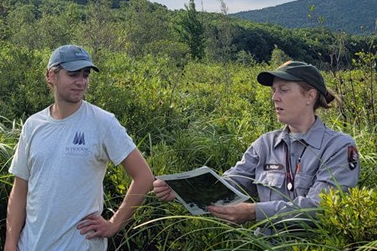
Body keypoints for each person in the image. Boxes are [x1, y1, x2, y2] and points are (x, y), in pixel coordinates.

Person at [2, 44, 155, 251]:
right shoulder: (33, 125)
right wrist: (10, 247)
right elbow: (20, 191)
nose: (81, 81)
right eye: (73, 74)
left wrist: (113, 225)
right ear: (51, 76)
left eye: (85, 74)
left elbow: (143, 177)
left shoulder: (102, 122)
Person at [153, 60, 359, 235]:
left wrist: (254, 212)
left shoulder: (339, 147)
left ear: (309, 96)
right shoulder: (264, 144)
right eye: (274, 90)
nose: (274, 97)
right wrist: (186, 191)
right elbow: (230, 185)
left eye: (284, 90)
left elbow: (319, 208)